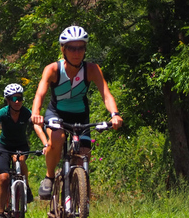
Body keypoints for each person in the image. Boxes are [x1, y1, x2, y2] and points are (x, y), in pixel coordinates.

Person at [31, 25, 123, 200]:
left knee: (84, 156)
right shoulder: (53, 69)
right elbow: (40, 93)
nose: (77, 52)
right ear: (63, 49)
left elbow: (106, 94)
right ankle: (49, 177)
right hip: (56, 113)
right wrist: (36, 113)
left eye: (81, 47)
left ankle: (81, 212)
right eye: (72, 48)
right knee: (57, 138)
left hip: (81, 116)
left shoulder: (92, 69)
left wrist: (115, 114)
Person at [0, 84, 49, 218]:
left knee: (19, 159)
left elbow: (37, 126)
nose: (17, 101)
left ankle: (25, 186)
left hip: (21, 146)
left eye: (19, 98)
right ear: (8, 100)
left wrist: (46, 144)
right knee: (3, 178)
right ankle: (1, 216)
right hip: (4, 147)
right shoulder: (2, 113)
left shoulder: (26, 113)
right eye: (13, 99)